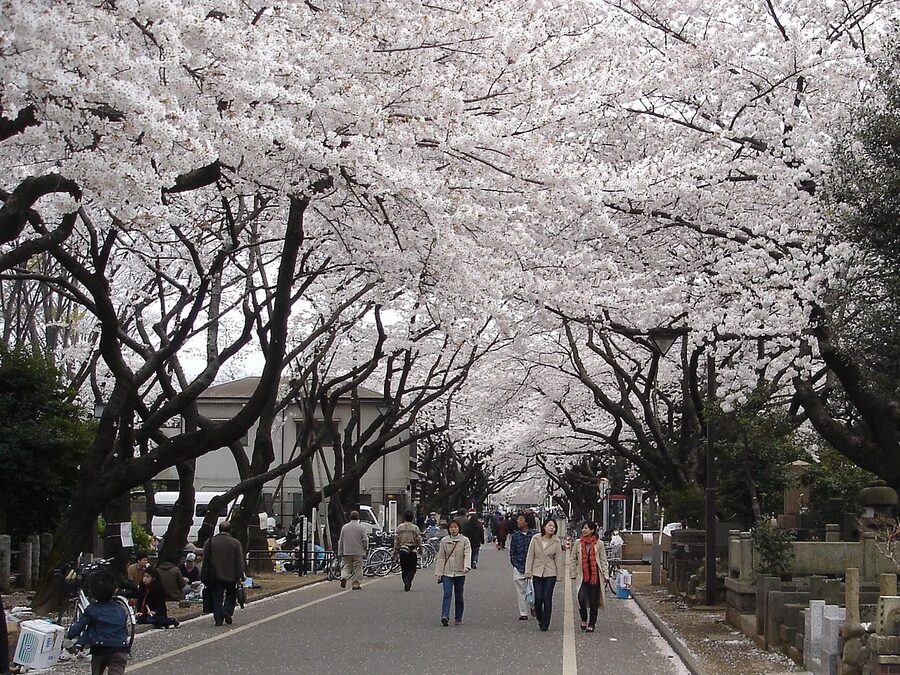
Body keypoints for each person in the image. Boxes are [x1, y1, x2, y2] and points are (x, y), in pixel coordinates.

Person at [65, 569, 130, 674]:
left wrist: (70, 635)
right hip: (120, 647)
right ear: (114, 590)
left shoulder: (92, 609)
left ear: (93, 591)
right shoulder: (120, 609)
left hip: (100, 649)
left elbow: (79, 627)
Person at [202, 520, 245, 626]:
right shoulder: (235, 543)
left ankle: (218, 618)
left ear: (219, 529)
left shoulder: (210, 542)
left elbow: (205, 560)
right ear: (230, 530)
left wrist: (204, 575)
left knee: (217, 596)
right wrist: (240, 574)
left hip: (215, 575)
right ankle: (227, 610)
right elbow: (239, 561)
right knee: (231, 594)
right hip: (231, 575)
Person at [525, 517, 564, 632]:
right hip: (537, 571)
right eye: (550, 525)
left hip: (550, 572)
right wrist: (528, 571)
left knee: (547, 598)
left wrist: (559, 574)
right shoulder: (535, 539)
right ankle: (540, 618)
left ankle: (545, 623)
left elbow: (558, 559)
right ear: (544, 526)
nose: (552, 528)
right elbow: (530, 555)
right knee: (538, 598)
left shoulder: (556, 541)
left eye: (554, 526)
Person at [570, 519, 609, 633]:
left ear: (592, 530)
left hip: (595, 576)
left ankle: (591, 624)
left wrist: (606, 575)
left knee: (594, 601)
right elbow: (573, 558)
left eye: (586, 528)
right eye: (583, 528)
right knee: (581, 598)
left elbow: (603, 560)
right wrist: (572, 572)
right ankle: (583, 619)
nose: (584, 530)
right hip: (582, 575)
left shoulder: (599, 543)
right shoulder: (578, 542)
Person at [434, 519, 471, 626]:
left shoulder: (464, 540)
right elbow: (441, 557)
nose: (453, 529)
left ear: (459, 528)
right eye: (451, 527)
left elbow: (467, 553)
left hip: (460, 572)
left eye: (455, 527)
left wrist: (467, 566)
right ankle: (444, 616)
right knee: (447, 593)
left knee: (459, 595)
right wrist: (439, 572)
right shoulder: (444, 541)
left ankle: (458, 617)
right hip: (447, 572)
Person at [509, 514, 537, 620]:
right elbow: (513, 552)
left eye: (521, 519)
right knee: (520, 590)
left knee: (533, 589)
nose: (518, 521)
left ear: (527, 522)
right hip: (519, 565)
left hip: (533, 566)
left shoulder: (535, 535)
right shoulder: (515, 536)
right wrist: (515, 563)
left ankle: (533, 606)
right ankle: (523, 613)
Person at [337, 510, 368, 590]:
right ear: (358, 517)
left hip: (347, 550)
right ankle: (355, 584)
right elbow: (365, 539)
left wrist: (340, 551)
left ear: (350, 517)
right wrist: (365, 547)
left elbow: (341, 540)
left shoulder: (344, 527)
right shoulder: (361, 527)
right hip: (358, 551)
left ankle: (343, 577)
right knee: (358, 568)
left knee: (347, 566)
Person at [393, 510, 423, 592]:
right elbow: (418, 539)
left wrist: (394, 551)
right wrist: (420, 548)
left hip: (402, 549)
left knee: (404, 567)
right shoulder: (415, 528)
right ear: (412, 518)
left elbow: (396, 540)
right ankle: (408, 580)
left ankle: (405, 580)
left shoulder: (399, 527)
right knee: (412, 568)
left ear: (404, 518)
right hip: (412, 550)